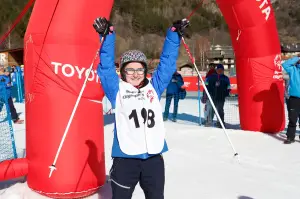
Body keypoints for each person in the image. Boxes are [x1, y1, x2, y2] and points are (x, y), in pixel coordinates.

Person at [93, 17, 189, 199]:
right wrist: (107, 37)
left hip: (154, 158)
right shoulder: (117, 90)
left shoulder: (154, 87)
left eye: (140, 69)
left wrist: (173, 36)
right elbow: (105, 68)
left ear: (145, 71)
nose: (135, 74)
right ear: (123, 72)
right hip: (125, 159)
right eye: (130, 69)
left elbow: (167, 65)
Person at [282, 55, 300, 144]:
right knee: (292, 119)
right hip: (294, 99)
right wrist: (297, 57)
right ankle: (290, 137)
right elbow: (285, 65)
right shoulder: (293, 69)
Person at [206, 64, 230, 128]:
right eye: (218, 69)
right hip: (212, 96)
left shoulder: (225, 78)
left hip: (221, 97)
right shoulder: (211, 77)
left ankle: (220, 123)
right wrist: (208, 88)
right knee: (211, 109)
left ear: (223, 70)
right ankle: (209, 122)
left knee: (220, 110)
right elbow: (206, 83)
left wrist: (226, 92)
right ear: (216, 70)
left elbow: (229, 86)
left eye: (221, 70)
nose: (219, 71)